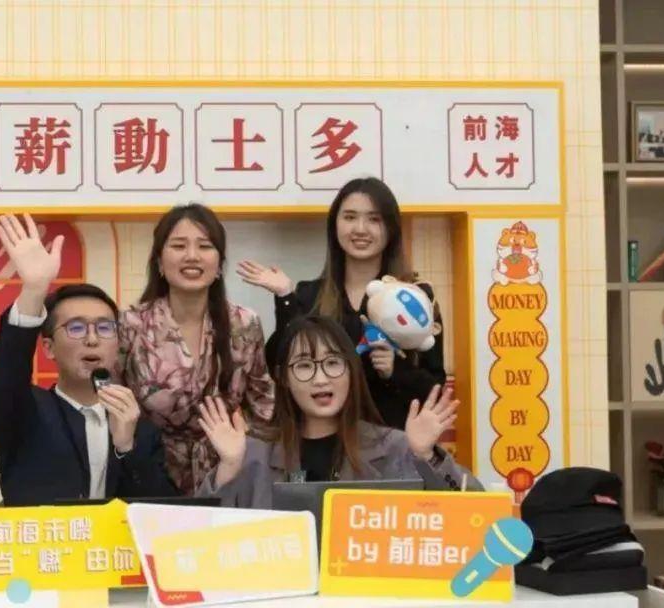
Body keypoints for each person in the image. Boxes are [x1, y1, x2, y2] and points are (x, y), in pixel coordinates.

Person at [0, 214, 177, 506]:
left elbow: (159, 509)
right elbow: (5, 380)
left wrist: (126, 447)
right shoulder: (25, 411)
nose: (92, 339)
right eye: (76, 328)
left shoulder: (139, 425)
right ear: (49, 348)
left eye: (104, 328)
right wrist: (34, 290)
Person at [195, 315, 478, 509]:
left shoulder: (395, 447)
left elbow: (475, 512)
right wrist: (228, 468)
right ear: (283, 377)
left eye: (333, 363)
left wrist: (427, 456)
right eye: (304, 366)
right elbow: (201, 538)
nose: (321, 379)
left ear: (351, 370)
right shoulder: (253, 454)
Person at [237, 177, 446, 429]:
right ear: (334, 225)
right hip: (324, 440)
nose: (360, 229)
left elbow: (436, 390)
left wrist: (396, 371)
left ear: (391, 228)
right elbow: (279, 366)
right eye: (349, 217)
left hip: (394, 442)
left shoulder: (416, 298)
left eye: (374, 219)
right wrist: (285, 298)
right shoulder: (309, 295)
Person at [118, 203, 275, 494]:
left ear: (219, 264)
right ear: (159, 262)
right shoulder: (130, 324)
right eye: (179, 245)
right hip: (150, 476)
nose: (192, 256)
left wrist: (241, 450)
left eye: (205, 246)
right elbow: (114, 406)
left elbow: (263, 406)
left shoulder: (245, 323)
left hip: (229, 474)